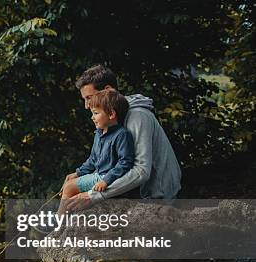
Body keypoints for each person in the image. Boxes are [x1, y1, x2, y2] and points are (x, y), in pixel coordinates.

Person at [64, 65, 181, 211]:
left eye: (89, 98)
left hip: (154, 194)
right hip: (134, 188)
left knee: (83, 199)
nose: (87, 106)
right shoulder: (111, 118)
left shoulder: (138, 116)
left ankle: (58, 227)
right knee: (74, 190)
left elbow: (141, 171)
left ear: (108, 90)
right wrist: (80, 174)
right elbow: (108, 163)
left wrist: (94, 195)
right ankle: (59, 227)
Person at [60, 89, 134, 213]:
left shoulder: (122, 135)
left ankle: (58, 222)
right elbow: (93, 159)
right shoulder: (99, 133)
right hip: (98, 175)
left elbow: (125, 162)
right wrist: (78, 173)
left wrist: (106, 180)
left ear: (111, 114)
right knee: (72, 187)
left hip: (106, 177)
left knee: (69, 187)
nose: (92, 117)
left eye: (95, 113)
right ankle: (67, 220)